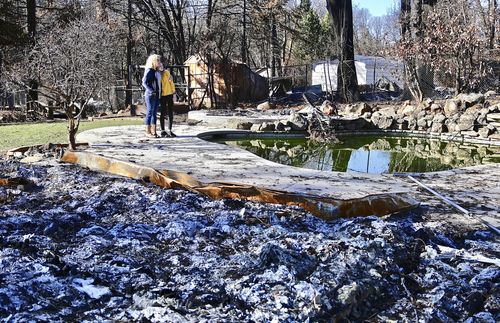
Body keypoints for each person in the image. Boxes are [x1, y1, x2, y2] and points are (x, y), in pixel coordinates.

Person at [142, 54, 161, 138]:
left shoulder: (156, 71)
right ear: (153, 61)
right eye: (158, 60)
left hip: (157, 94)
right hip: (150, 95)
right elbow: (144, 82)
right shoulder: (149, 70)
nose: (159, 62)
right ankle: (147, 131)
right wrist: (151, 90)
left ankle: (154, 131)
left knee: (154, 113)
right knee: (149, 112)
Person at [159, 65, 177, 137]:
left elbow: (171, 83)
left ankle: (170, 130)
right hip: (162, 96)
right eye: (160, 65)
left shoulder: (167, 72)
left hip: (169, 95)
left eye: (162, 65)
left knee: (170, 112)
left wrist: (174, 93)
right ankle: (162, 130)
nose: (161, 66)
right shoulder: (156, 74)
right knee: (162, 113)